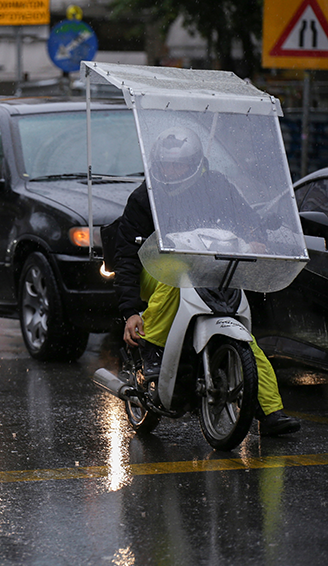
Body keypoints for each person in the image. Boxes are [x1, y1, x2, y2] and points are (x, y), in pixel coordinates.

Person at [113, 126, 301, 437]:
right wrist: (131, 310)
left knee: (244, 336)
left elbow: (248, 220)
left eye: (180, 165)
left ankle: (269, 411)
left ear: (197, 163)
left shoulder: (217, 184)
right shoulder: (144, 197)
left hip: (210, 267)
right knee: (175, 273)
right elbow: (126, 257)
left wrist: (256, 239)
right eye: (165, 165)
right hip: (157, 271)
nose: (172, 172)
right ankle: (152, 347)